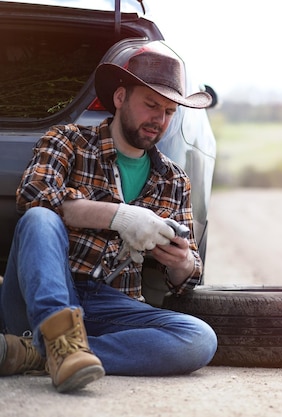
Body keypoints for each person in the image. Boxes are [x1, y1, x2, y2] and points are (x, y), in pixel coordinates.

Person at [0, 42, 217, 393]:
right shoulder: (67, 140)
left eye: (168, 112)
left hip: (109, 304)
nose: (159, 120)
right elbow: (34, 198)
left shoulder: (174, 180)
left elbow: (185, 280)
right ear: (119, 98)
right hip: (42, 290)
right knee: (40, 220)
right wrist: (121, 217)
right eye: (150, 105)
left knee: (199, 339)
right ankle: (54, 342)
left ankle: (42, 353)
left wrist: (182, 262)